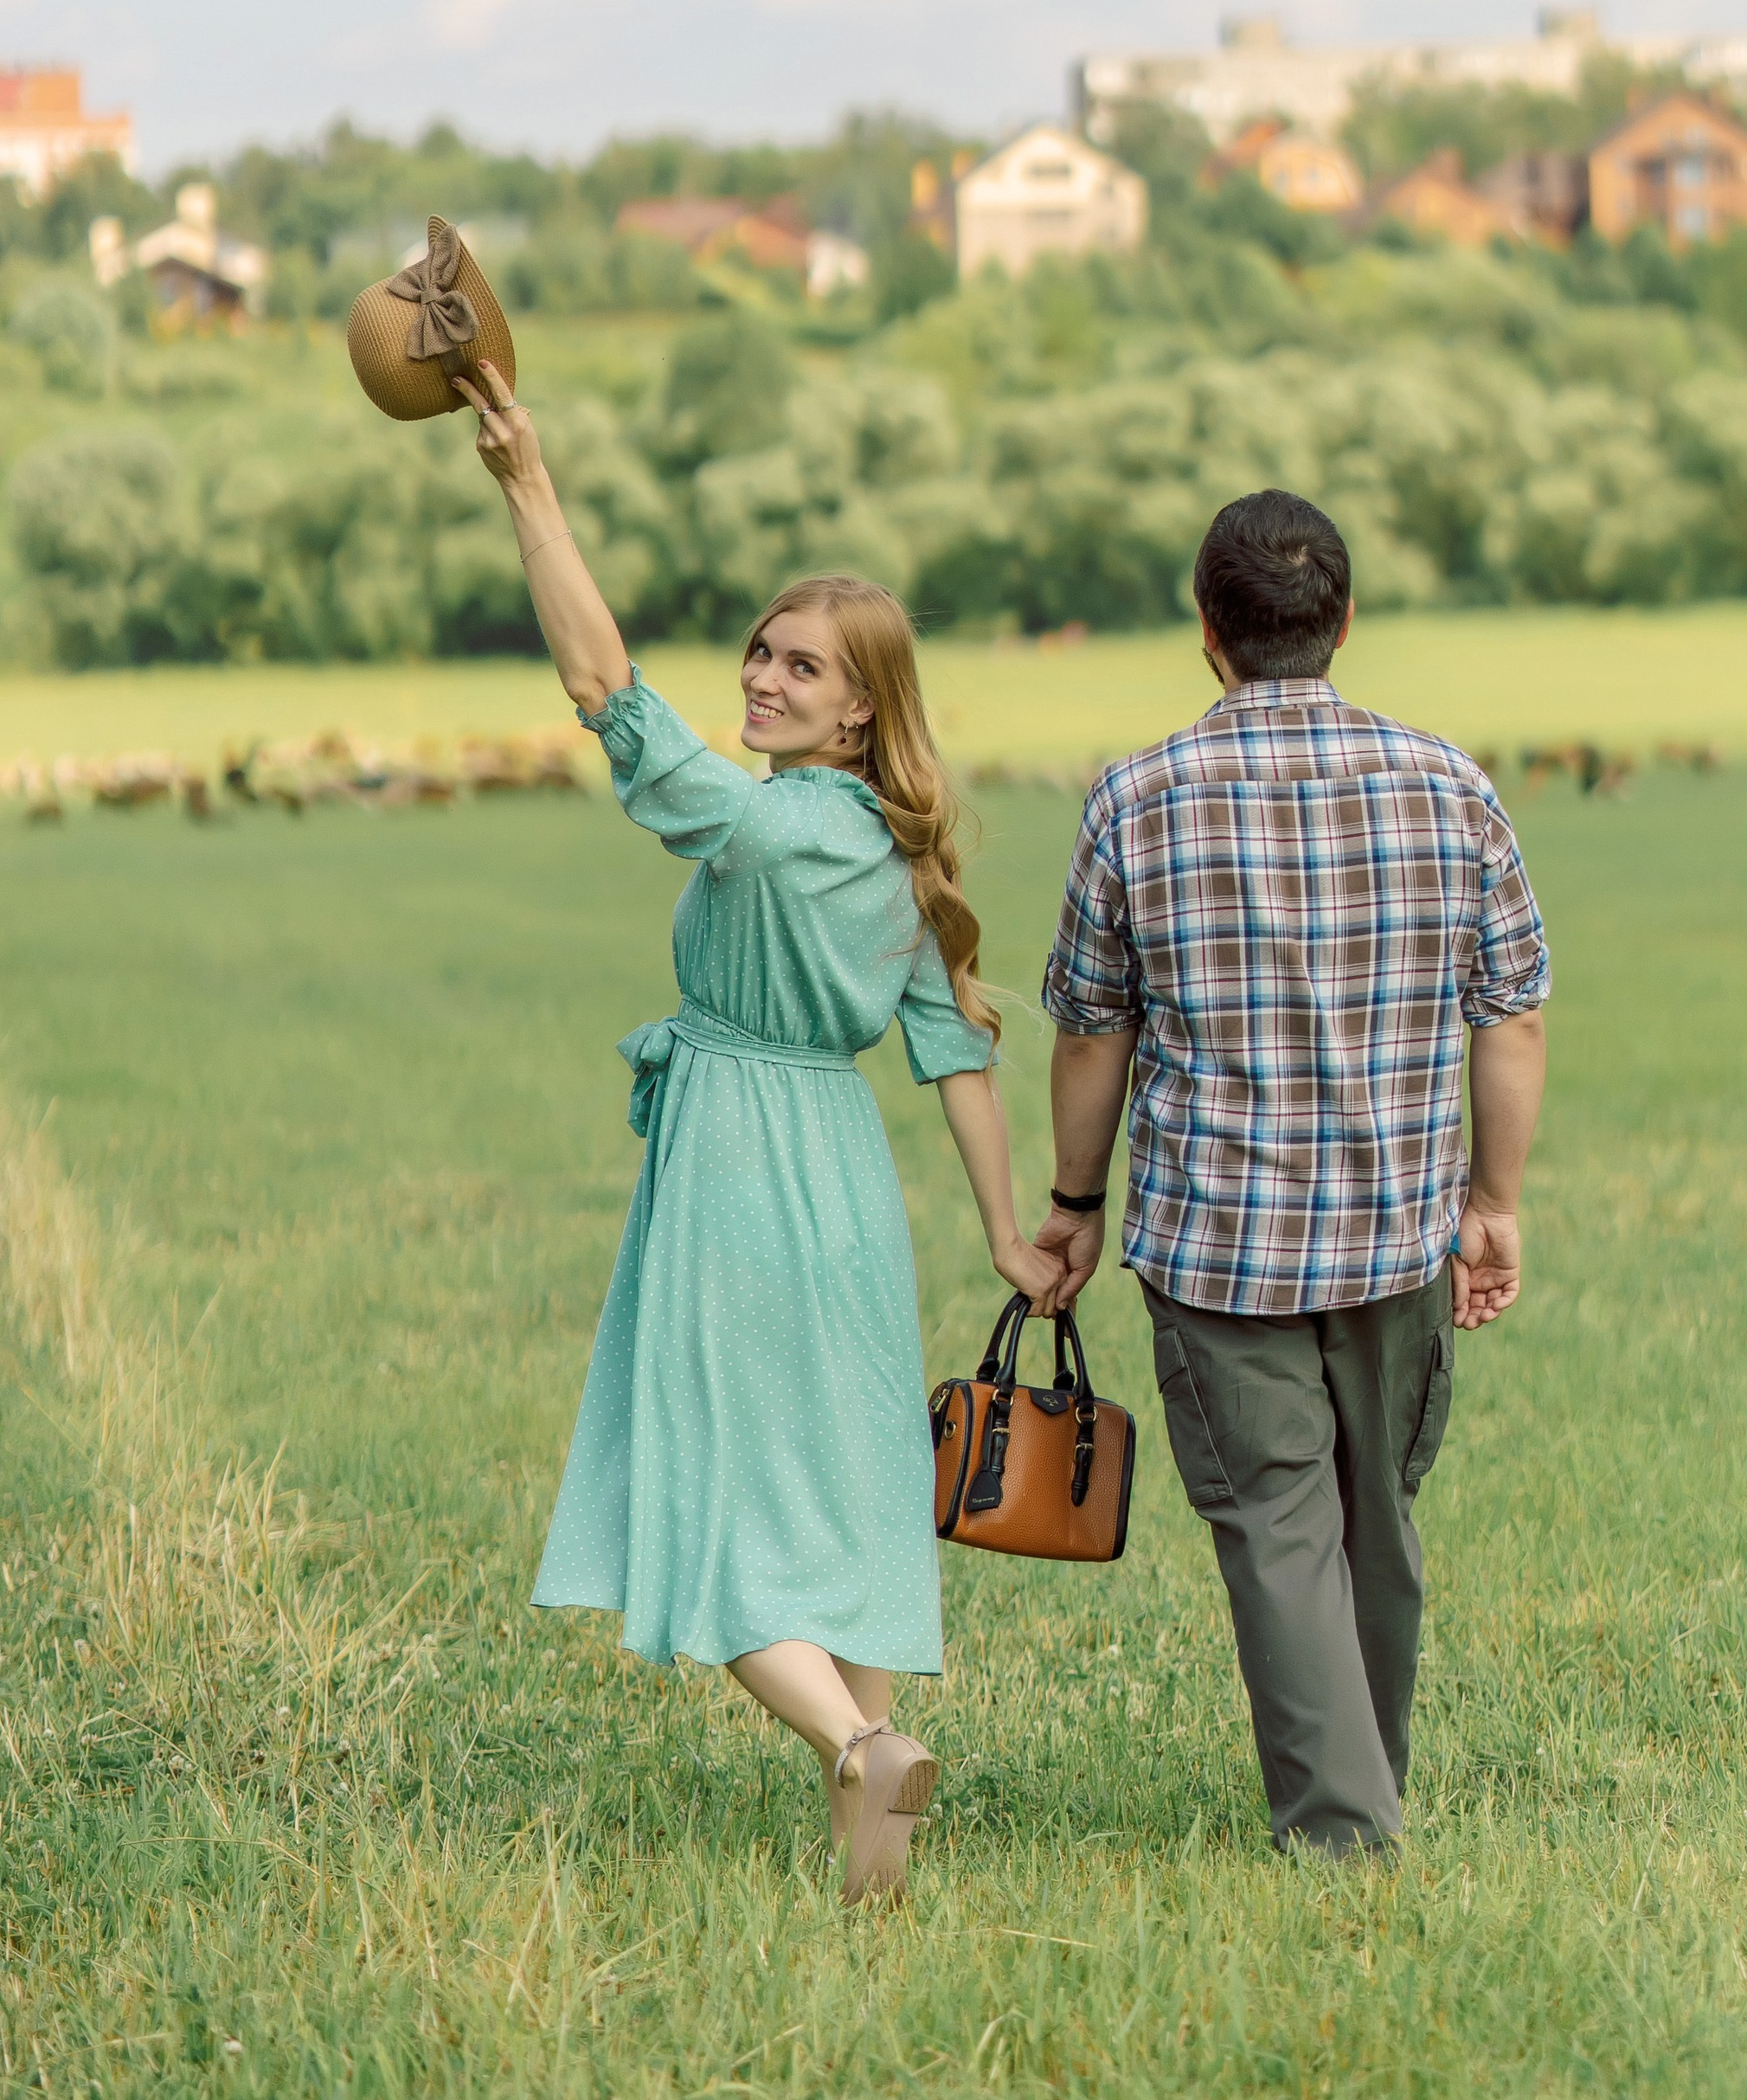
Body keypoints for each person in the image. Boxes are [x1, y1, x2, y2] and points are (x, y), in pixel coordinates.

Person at [458, 362, 1061, 1902]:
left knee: (710, 1499)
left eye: (800, 668)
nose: (764, 678)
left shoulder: (772, 823)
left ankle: (857, 1753)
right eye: (761, 652)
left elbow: (609, 693)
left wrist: (531, 487)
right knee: (840, 1498)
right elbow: (956, 1061)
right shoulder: (893, 850)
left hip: (733, 1161)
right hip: (841, 1180)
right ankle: (878, 1803)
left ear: (862, 705)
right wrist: (1007, 1231)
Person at [1032, 488, 1550, 1857]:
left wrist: (1075, 1204)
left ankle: (1345, 1836)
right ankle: (1359, 1798)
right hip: (1398, 1231)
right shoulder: (1451, 783)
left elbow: (1094, 1033)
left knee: (1281, 1529)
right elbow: (1513, 1015)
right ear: (1343, 623)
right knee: (1373, 1524)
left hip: (1220, 1250)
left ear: (1207, 631)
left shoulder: (1135, 799)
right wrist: (1491, 1204)